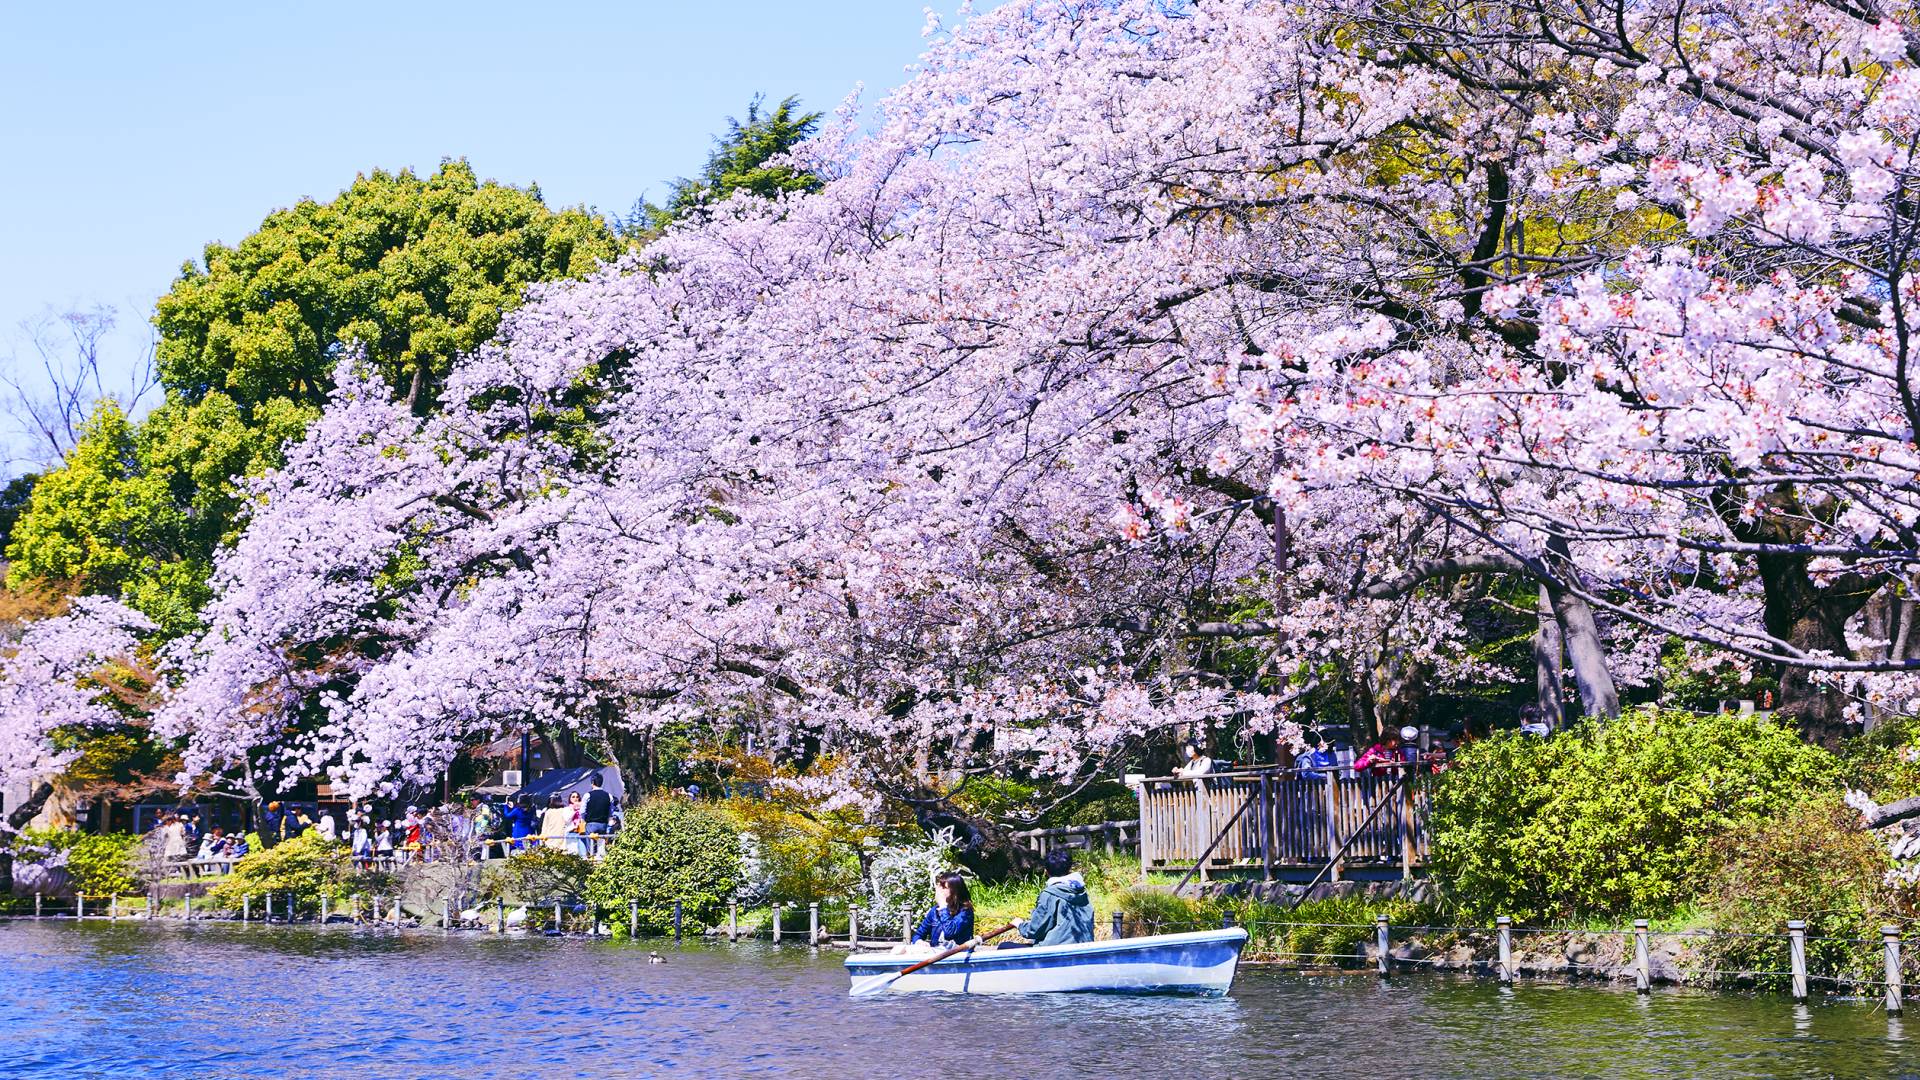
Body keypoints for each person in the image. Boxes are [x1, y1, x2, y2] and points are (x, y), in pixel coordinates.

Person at [1017, 849, 1094, 947]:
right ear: (1069, 869)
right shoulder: (1081, 891)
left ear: (1046, 871)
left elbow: (1034, 930)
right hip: (1083, 947)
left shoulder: (1049, 894)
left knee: (1004, 946)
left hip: (1055, 951)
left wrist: (1020, 925)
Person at [899, 870, 976, 952]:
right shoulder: (934, 911)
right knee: (899, 949)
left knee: (905, 950)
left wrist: (943, 906)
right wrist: (919, 941)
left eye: (944, 888)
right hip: (937, 953)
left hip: (957, 954)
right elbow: (918, 934)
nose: (939, 891)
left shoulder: (965, 912)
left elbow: (950, 933)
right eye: (939, 887)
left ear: (955, 891)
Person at [583, 774, 613, 857]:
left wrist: (585, 819)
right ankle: (601, 860)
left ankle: (592, 858)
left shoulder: (587, 795)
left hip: (591, 823)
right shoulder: (609, 795)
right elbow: (611, 811)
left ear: (592, 782)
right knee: (601, 844)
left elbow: (582, 811)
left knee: (591, 845)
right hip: (603, 824)